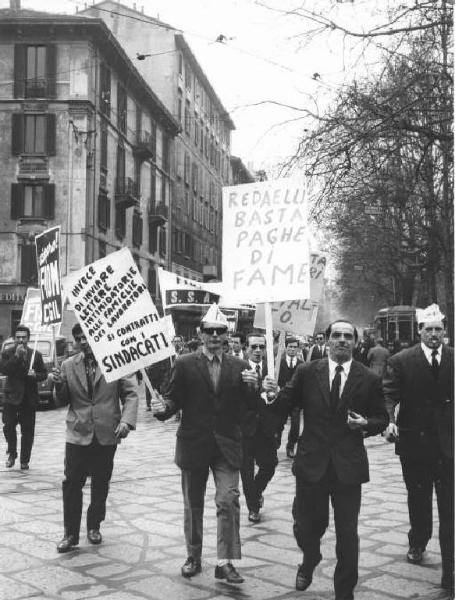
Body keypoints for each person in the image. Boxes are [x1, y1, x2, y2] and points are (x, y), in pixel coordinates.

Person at [266, 319, 388, 599]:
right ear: (328, 340)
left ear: (355, 343)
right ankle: (310, 558)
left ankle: (344, 591)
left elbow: (382, 418)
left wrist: (366, 423)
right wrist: (272, 394)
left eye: (348, 336)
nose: (342, 340)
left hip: (348, 467)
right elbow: (285, 403)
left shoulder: (368, 378)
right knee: (307, 526)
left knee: (347, 532)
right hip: (312, 464)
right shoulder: (308, 371)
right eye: (337, 336)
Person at [153, 304, 258, 584]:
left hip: (227, 445)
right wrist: (162, 408)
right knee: (193, 504)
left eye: (220, 331)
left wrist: (255, 387)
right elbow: (173, 398)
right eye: (209, 331)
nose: (214, 335)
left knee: (228, 499)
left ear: (227, 335)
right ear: (200, 334)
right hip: (194, 443)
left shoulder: (241, 366)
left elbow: (250, 407)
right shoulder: (185, 363)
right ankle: (194, 556)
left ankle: (225, 561)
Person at [383, 304, 454, 593]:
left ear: (444, 330)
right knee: (419, 497)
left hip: (449, 444)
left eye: (439, 329)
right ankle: (418, 540)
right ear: (420, 331)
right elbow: (389, 393)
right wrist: (389, 421)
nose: (434, 334)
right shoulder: (401, 361)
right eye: (429, 329)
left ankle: (450, 567)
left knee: (450, 505)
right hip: (414, 443)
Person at [50, 323, 138, 553]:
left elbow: (130, 394)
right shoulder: (68, 365)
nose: (83, 342)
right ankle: (70, 534)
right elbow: (61, 401)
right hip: (77, 433)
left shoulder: (117, 361)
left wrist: (127, 421)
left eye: (87, 337)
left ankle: (94, 526)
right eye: (79, 338)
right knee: (71, 483)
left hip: (106, 433)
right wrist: (57, 385)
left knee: (101, 482)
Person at [240, 332, 283, 524]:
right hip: (245, 429)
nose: (258, 351)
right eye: (254, 347)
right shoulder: (238, 368)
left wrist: (277, 395)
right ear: (246, 348)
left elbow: (283, 398)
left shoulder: (272, 369)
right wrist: (260, 389)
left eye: (261, 347)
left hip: (266, 429)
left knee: (269, 465)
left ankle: (256, 493)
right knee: (246, 472)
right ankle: (253, 507)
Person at [0, 325, 47, 470]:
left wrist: (35, 375)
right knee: (8, 427)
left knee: (28, 430)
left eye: (24, 337)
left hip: (28, 398)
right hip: (11, 397)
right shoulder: (7, 353)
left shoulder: (36, 355)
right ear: (14, 338)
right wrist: (17, 356)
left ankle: (25, 460)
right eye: (18, 337)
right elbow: (5, 370)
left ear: (28, 338)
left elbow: (44, 374)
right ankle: (12, 453)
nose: (21, 340)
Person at [277, 336, 304, 459]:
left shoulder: (302, 365)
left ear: (298, 349)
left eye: (295, 347)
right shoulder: (278, 363)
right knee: (278, 424)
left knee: (295, 427)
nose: (292, 349)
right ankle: (275, 445)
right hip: (281, 400)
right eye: (290, 347)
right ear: (285, 348)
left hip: (295, 401)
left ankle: (290, 446)